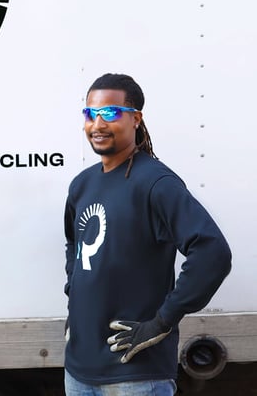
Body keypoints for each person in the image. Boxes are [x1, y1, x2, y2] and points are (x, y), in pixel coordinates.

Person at [63, 73, 231, 396]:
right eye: (90, 113)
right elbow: (75, 246)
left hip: (136, 376)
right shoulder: (82, 185)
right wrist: (76, 302)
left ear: (135, 119)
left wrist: (162, 321)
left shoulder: (156, 183)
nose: (97, 124)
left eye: (110, 113)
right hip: (78, 372)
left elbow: (213, 252)